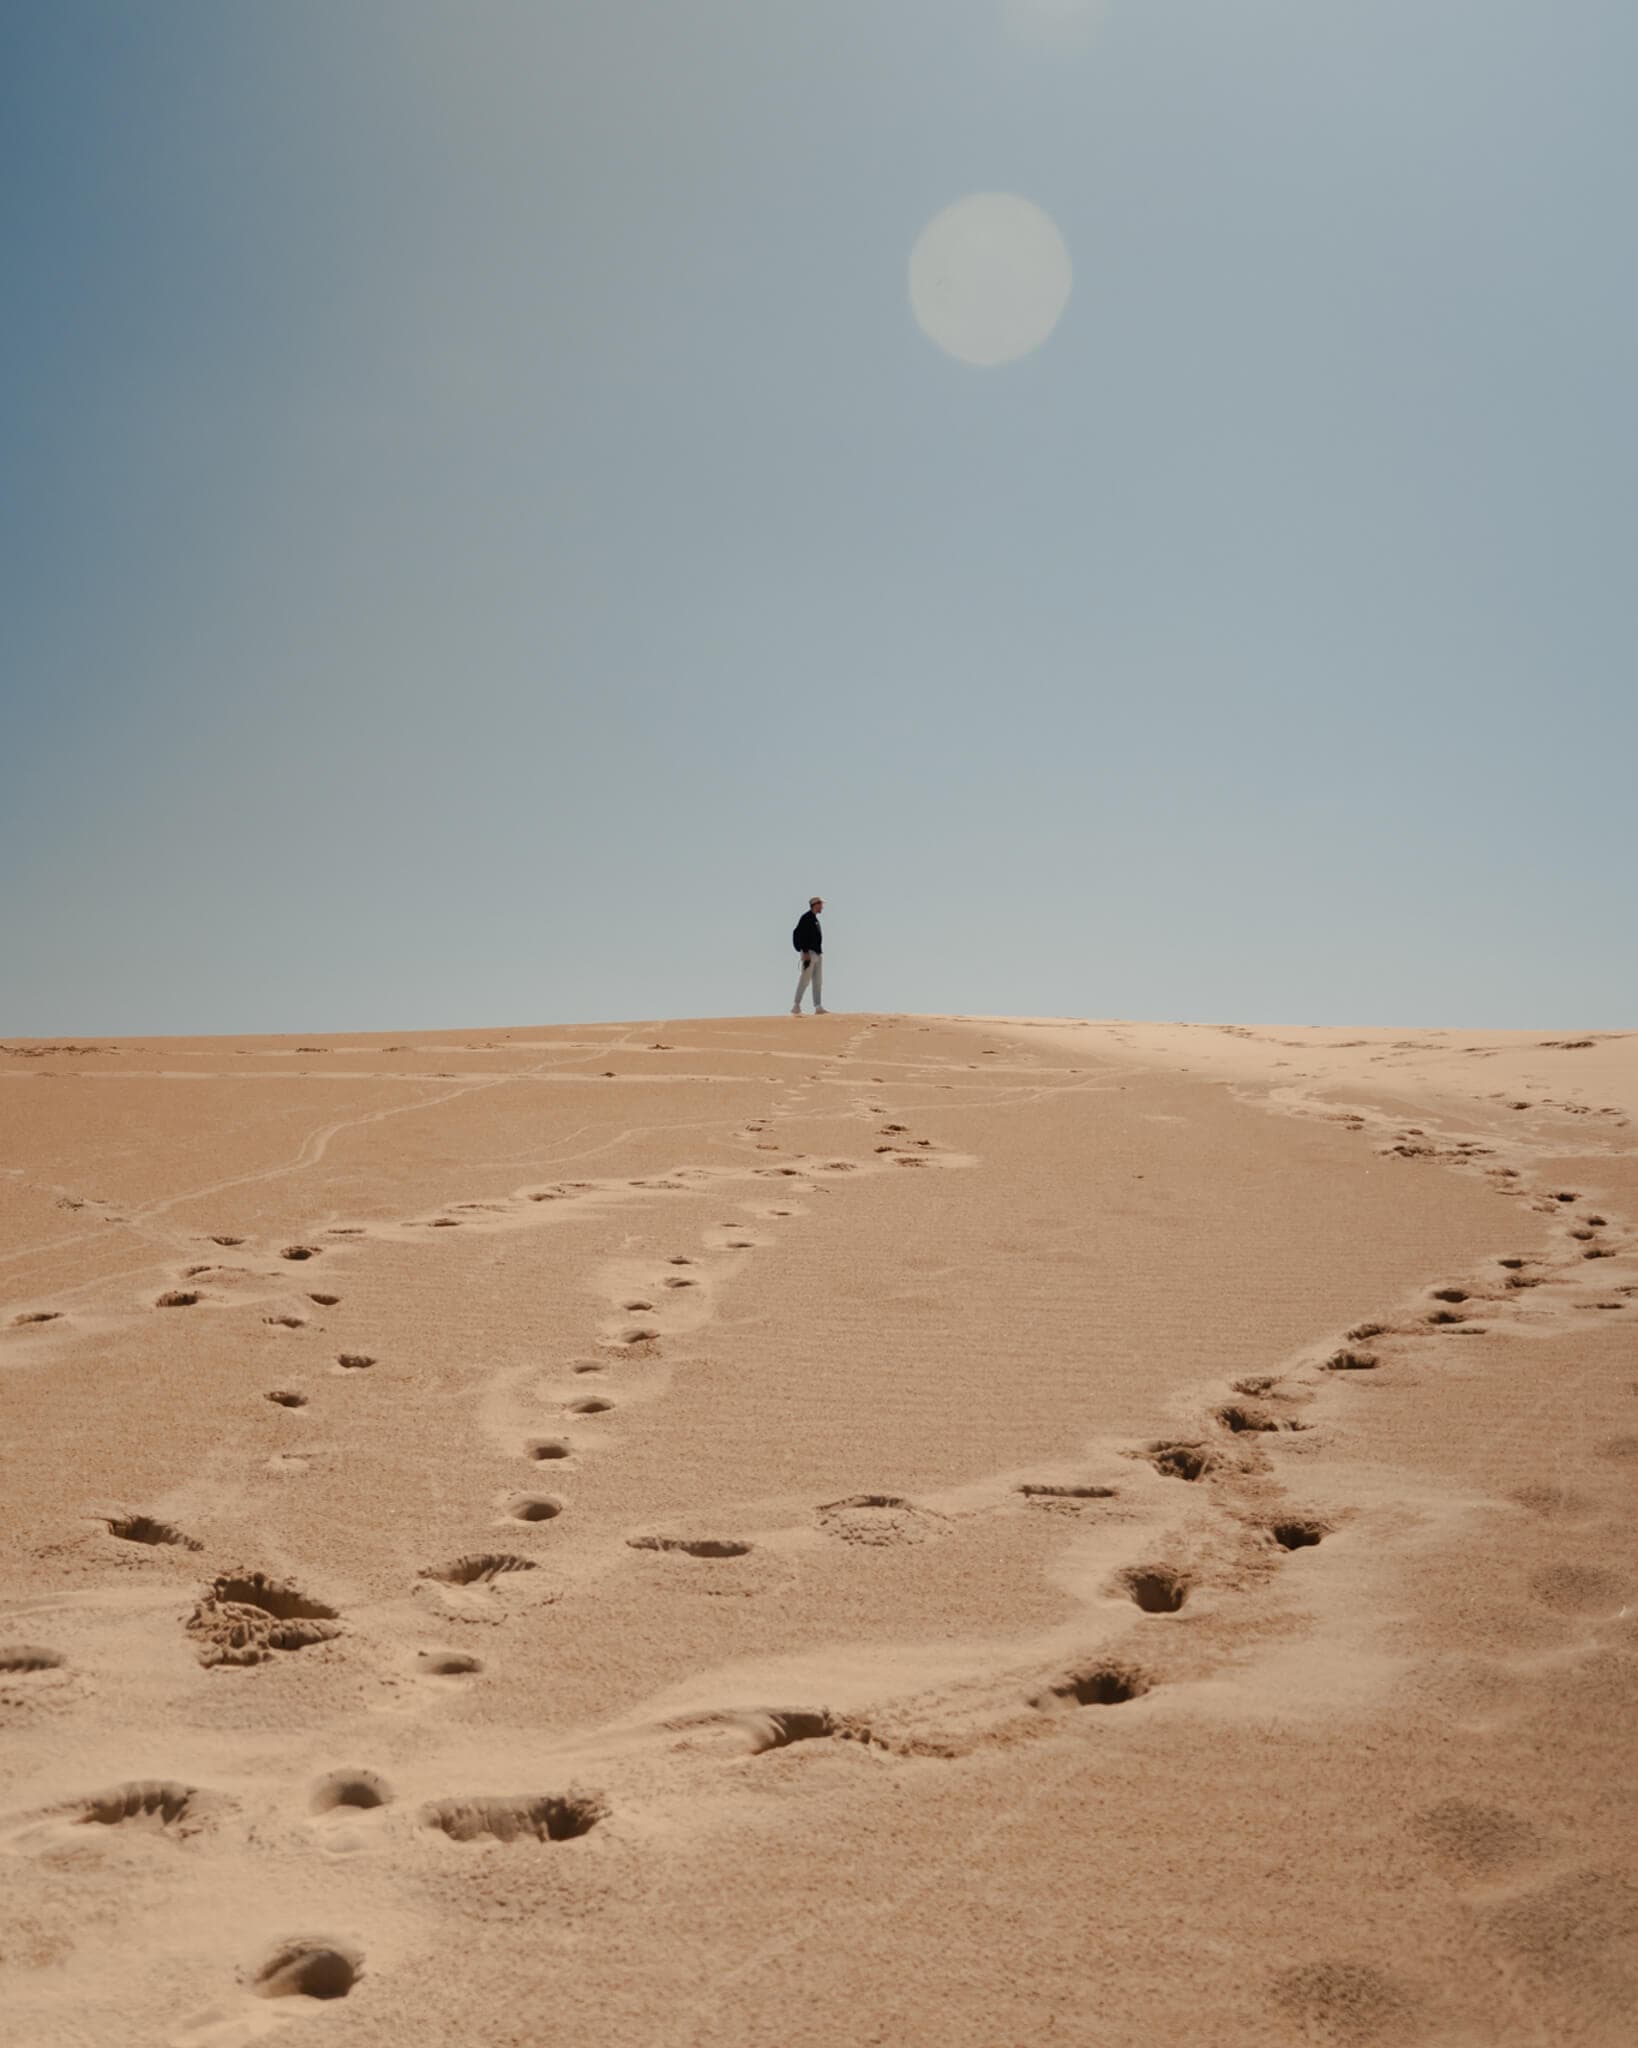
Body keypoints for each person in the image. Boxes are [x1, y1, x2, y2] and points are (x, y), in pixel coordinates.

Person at [791, 896, 827, 1015]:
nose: (822, 906)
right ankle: (796, 1005)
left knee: (818, 981)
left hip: (817, 953)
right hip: (809, 954)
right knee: (805, 980)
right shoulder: (806, 918)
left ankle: (818, 1006)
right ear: (815, 904)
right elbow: (801, 935)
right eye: (821, 904)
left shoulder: (815, 919)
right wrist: (805, 952)